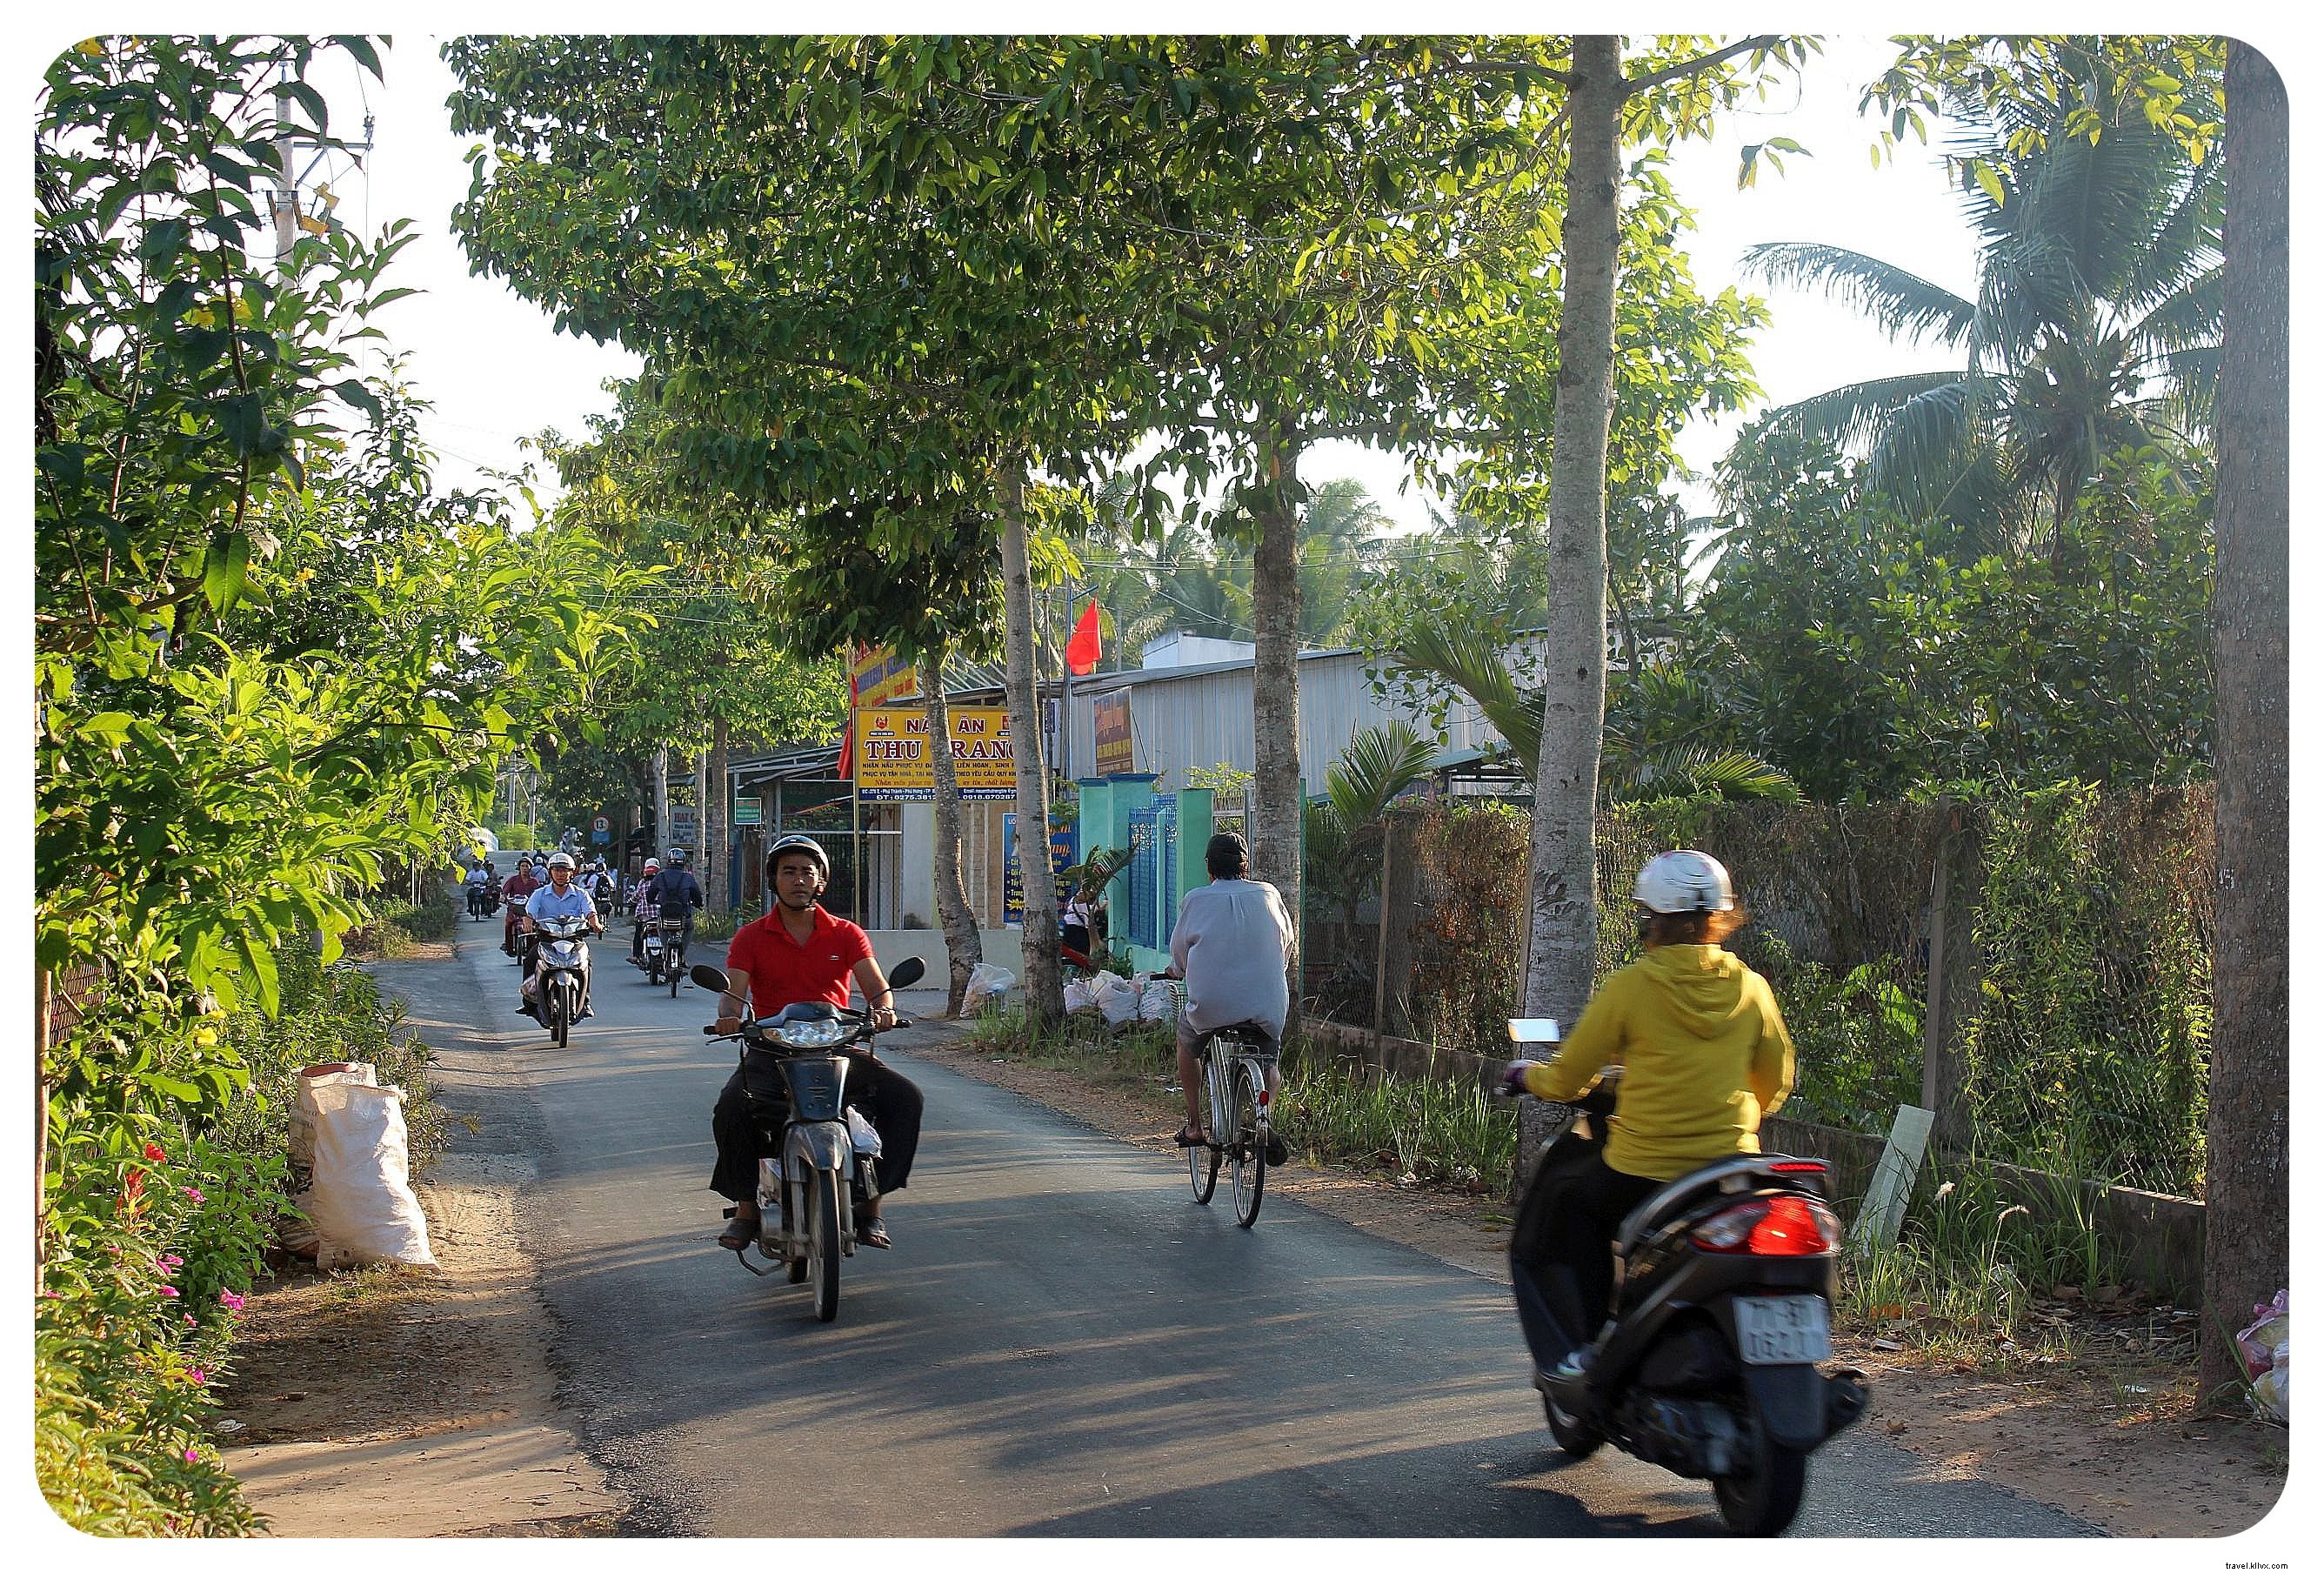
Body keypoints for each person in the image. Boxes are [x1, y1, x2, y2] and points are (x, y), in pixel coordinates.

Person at [1499, 848, 1795, 1375]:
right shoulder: (1752, 988)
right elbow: (1774, 1083)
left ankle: (1579, 1355)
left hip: (1643, 1172)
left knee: (1561, 1221)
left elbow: (1569, 1078)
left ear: (1653, 921)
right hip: (1729, 1172)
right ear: (1718, 918)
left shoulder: (1633, 986)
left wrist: (1526, 1076)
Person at [707, 833, 922, 1252]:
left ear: (821, 882)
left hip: (836, 1047)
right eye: (789, 871)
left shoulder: (846, 934)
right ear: (774, 880)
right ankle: (747, 1208)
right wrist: (729, 1017)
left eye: (808, 871)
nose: (799, 879)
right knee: (732, 1107)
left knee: (904, 1098)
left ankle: (871, 1207)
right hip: (772, 1050)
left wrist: (884, 1011)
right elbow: (733, 991)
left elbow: (878, 988)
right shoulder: (750, 937)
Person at [1166, 831, 1294, 1164]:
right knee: (1270, 1062)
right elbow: (1286, 947)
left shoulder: (1195, 900)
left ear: (1209, 869)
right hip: (1266, 1004)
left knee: (1186, 1045)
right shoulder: (1269, 894)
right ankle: (1263, 1119)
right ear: (1246, 867)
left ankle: (1195, 1125)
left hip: (1210, 1007)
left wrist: (1176, 971)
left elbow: (1180, 957)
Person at [518, 852, 604, 1022]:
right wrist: (527, 920)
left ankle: (585, 1002)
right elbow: (530, 912)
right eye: (557, 870)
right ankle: (528, 1001)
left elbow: (590, 912)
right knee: (530, 960)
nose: (561, 874)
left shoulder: (581, 894)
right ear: (550, 872)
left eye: (565, 870)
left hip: (574, 941)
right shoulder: (540, 894)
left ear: (572, 873)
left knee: (587, 962)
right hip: (546, 941)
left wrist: (595, 922)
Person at [500, 856, 543, 960]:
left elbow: (538, 894)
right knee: (508, 924)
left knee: (533, 928)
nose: (524, 868)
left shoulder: (534, 882)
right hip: (514, 909)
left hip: (528, 911)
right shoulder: (513, 880)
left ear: (530, 868)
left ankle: (531, 950)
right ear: (519, 868)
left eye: (526, 866)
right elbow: (505, 891)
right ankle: (509, 947)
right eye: (522, 866)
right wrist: (503, 897)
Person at [629, 856, 662, 964]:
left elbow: (636, 897)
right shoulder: (662, 882)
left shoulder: (642, 883)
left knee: (638, 933)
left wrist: (632, 901)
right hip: (659, 915)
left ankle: (636, 955)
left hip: (644, 916)